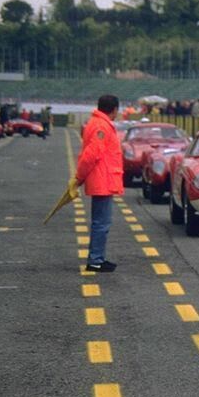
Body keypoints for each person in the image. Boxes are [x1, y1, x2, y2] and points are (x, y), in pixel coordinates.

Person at [75, 95, 123, 272]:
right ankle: (96, 259)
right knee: (101, 223)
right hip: (102, 179)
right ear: (114, 109)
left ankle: (97, 258)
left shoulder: (96, 123)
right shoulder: (102, 126)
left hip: (102, 178)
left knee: (101, 222)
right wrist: (79, 177)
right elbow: (91, 155)